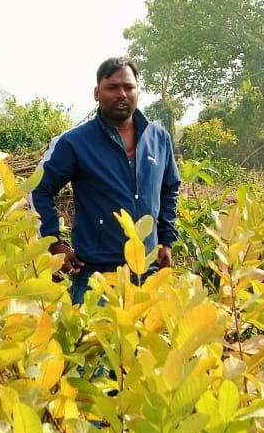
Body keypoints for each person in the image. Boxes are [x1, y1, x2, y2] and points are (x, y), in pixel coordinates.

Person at [30, 56, 181, 305]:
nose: (121, 94)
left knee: (145, 344)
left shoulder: (159, 138)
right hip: (96, 276)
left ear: (138, 92)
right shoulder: (74, 143)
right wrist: (54, 243)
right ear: (97, 93)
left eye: (128, 87)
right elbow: (38, 188)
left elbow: (169, 189)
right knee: (94, 344)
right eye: (112, 87)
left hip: (147, 272)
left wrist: (166, 240)